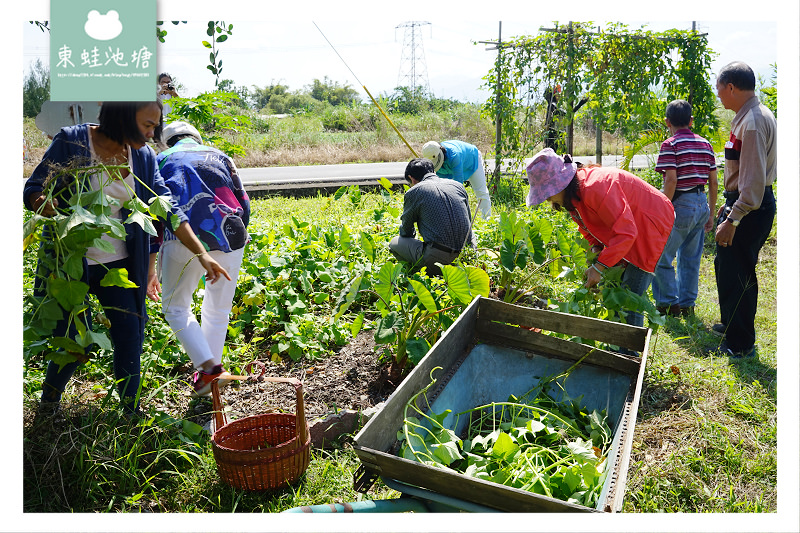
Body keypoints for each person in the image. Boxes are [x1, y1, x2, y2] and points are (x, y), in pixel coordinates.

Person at [24, 101, 230, 416]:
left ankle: (130, 411)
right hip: (69, 263)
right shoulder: (72, 141)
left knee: (128, 334)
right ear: (122, 115)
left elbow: (168, 208)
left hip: (118, 266)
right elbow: (33, 191)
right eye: (147, 125)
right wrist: (58, 210)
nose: (151, 134)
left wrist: (202, 254)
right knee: (73, 342)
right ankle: (48, 405)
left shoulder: (143, 157)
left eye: (154, 127)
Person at [525, 148, 675, 328]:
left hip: (652, 222)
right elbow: (590, 230)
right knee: (616, 292)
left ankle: (630, 353)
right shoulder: (573, 199)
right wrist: (597, 254)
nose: (549, 200)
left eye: (548, 194)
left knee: (629, 296)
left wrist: (600, 266)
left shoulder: (595, 187)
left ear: (561, 184)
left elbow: (626, 232)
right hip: (630, 227)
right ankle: (619, 348)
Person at [155, 121, 251, 396]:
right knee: (218, 310)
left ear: (165, 142)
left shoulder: (160, 159)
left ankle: (209, 371)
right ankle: (209, 377)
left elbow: (157, 207)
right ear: (197, 138)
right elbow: (243, 201)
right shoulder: (221, 156)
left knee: (176, 307)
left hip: (184, 236)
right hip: (230, 234)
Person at [708, 61, 776, 360]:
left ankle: (740, 343)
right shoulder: (749, 116)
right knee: (725, 265)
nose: (719, 96)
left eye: (720, 89)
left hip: (750, 208)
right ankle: (731, 323)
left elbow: (753, 181)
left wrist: (734, 217)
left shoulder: (752, 122)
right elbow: (743, 173)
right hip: (740, 201)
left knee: (739, 272)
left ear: (731, 87)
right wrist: (729, 200)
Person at [651, 99, 718, 318]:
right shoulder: (705, 144)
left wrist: (662, 209)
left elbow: (671, 181)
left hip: (680, 204)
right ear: (691, 121)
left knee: (660, 257)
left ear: (666, 122)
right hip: (701, 204)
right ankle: (687, 305)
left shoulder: (669, 145)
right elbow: (714, 182)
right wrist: (711, 212)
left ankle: (668, 305)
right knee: (690, 259)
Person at [388, 158, 474, 277]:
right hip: (467, 256)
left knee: (394, 243)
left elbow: (406, 231)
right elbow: (468, 222)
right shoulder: (458, 185)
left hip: (437, 259)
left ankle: (420, 272)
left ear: (412, 179)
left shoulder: (415, 191)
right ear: (433, 172)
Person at [420, 140, 492, 219]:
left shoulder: (454, 155)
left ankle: (486, 219)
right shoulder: (434, 163)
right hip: (449, 169)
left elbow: (458, 187)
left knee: (481, 191)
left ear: (441, 153)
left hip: (472, 160)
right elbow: (441, 187)